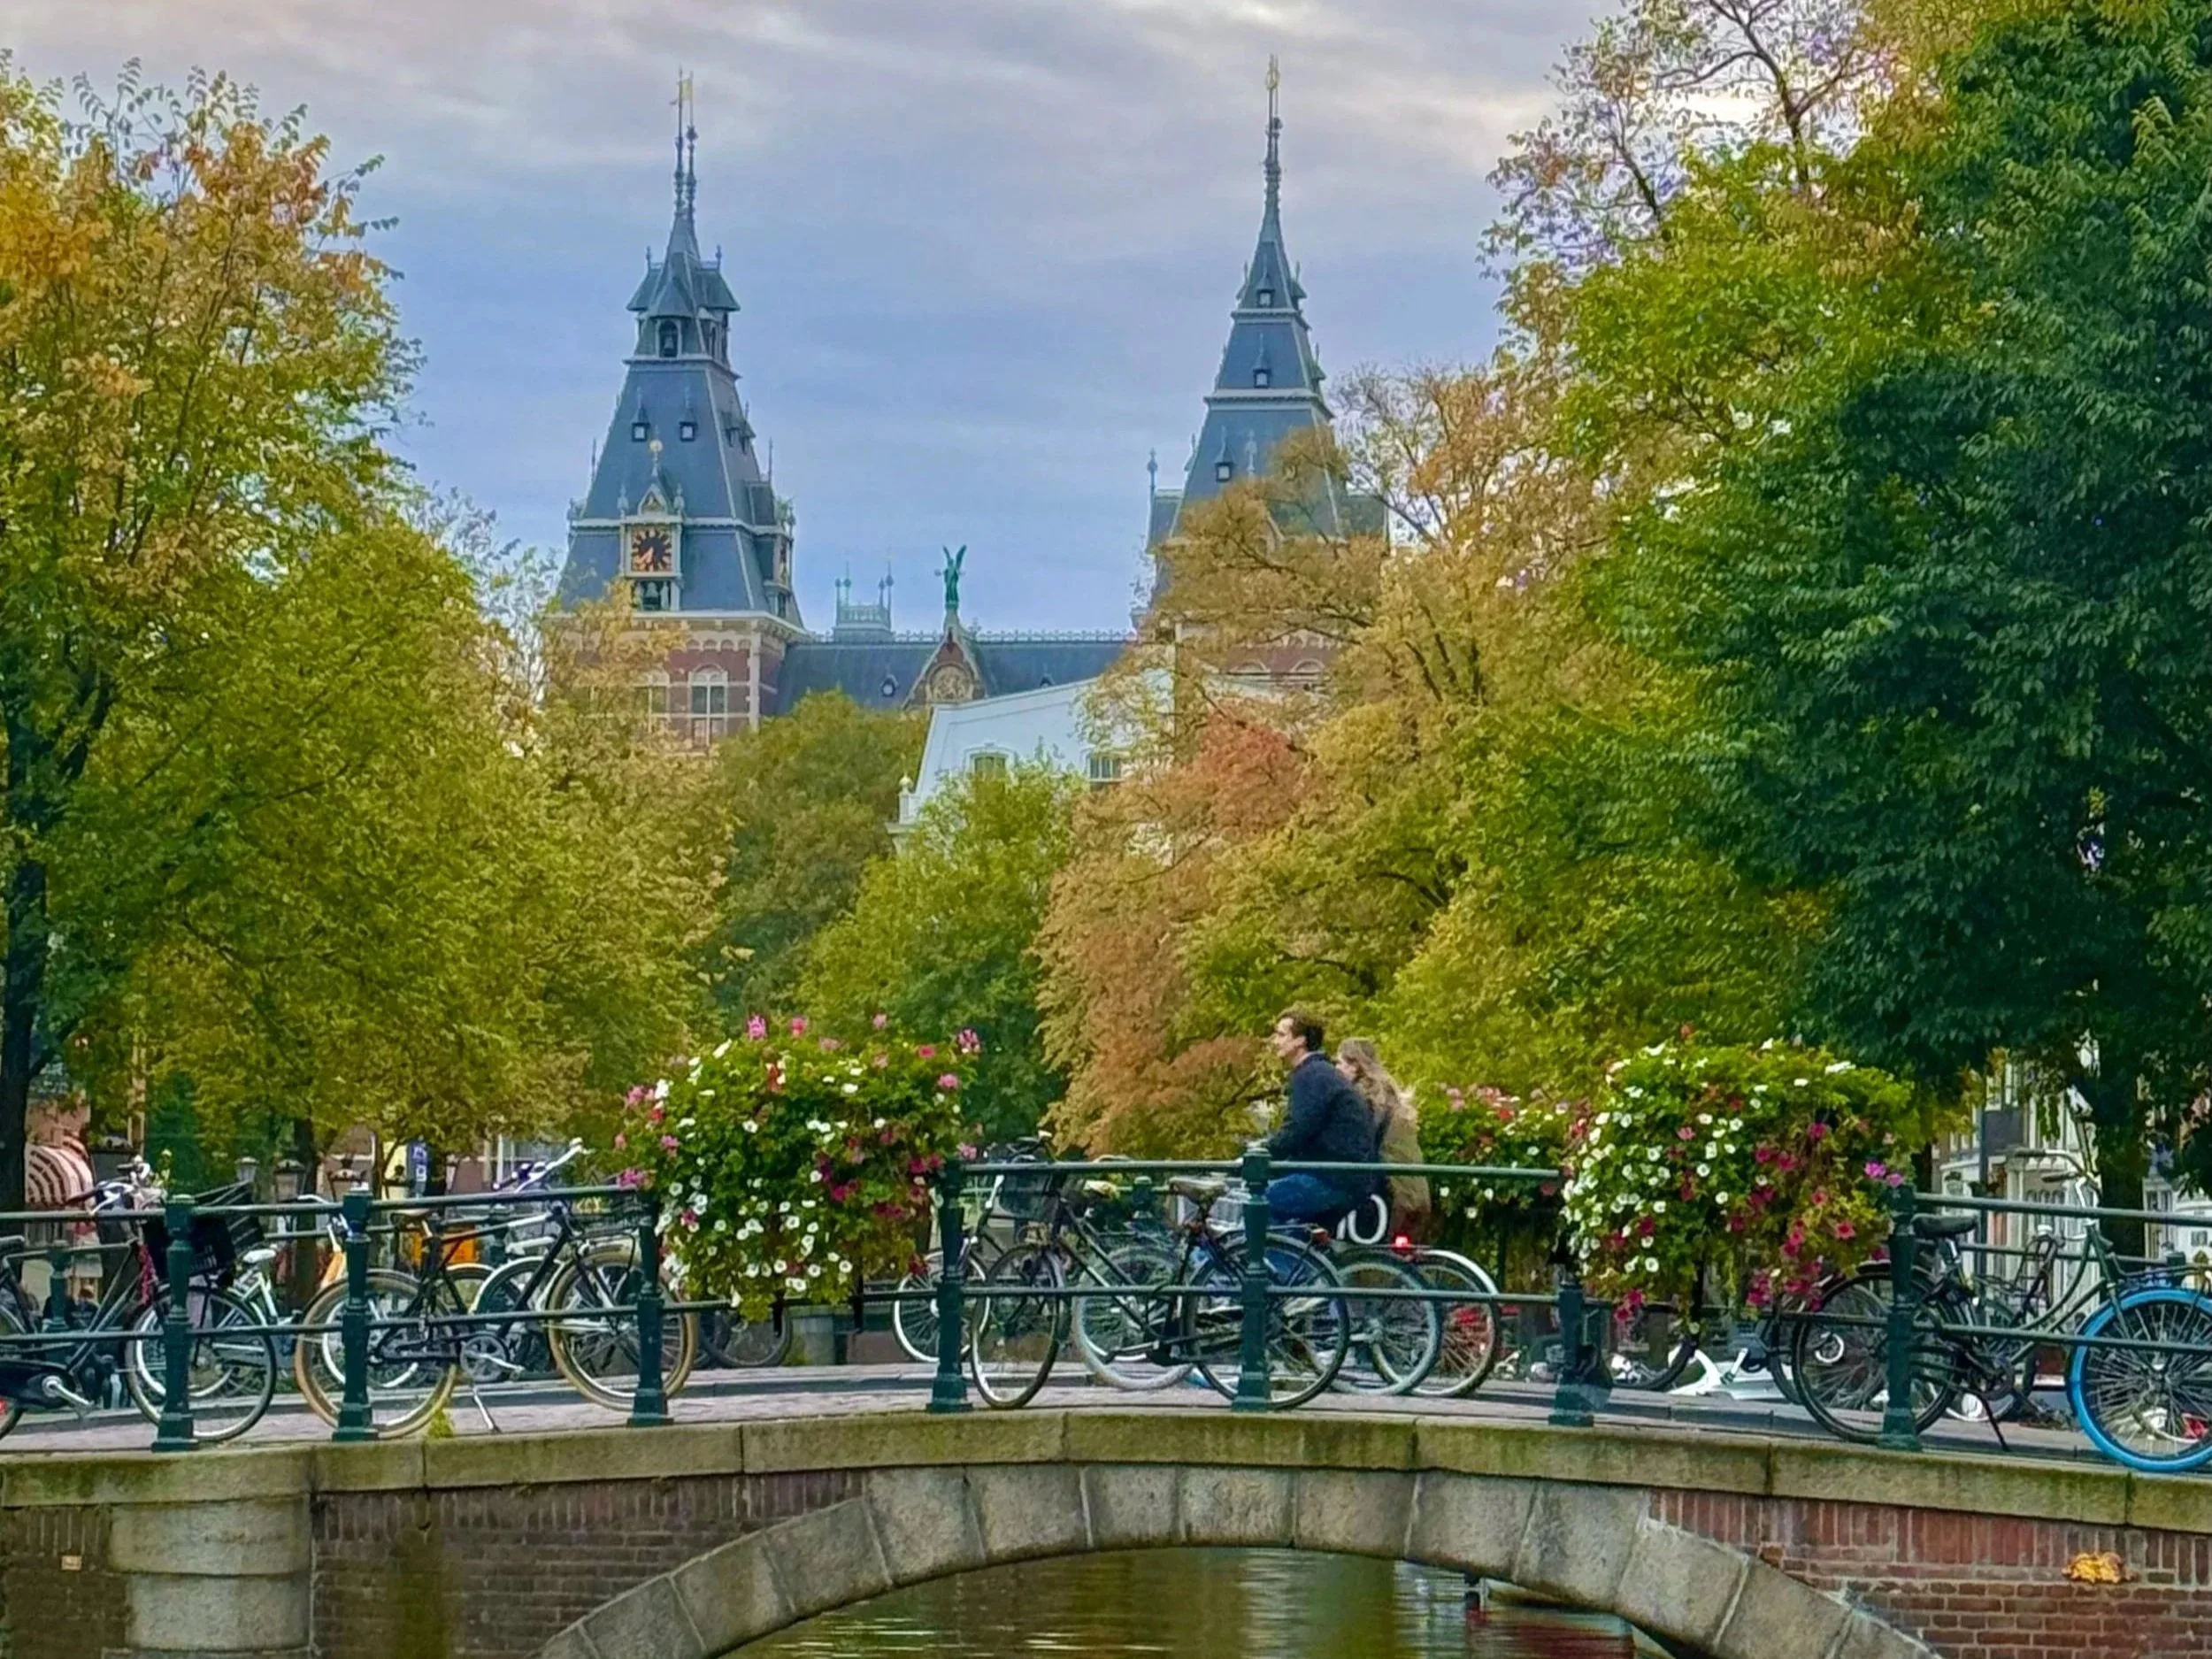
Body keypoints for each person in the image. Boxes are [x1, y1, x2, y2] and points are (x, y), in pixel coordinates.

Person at [1260, 1009, 1380, 1228]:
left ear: (1300, 1041)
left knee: (1259, 1205)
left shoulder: (1312, 1076)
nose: (1275, 1042)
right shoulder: (1321, 1073)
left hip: (1333, 1178)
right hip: (1347, 1177)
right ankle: (1298, 1258)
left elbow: (1297, 1129)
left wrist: (1258, 1154)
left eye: (1281, 1035)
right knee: (1297, 1230)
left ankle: (1271, 1262)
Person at [1337, 1039, 1431, 1237]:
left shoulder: (1362, 1101)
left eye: (1339, 1063)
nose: (1336, 1069)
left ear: (1354, 1066)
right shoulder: (1390, 1098)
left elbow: (1360, 1146)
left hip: (1391, 1194)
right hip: (1414, 1193)